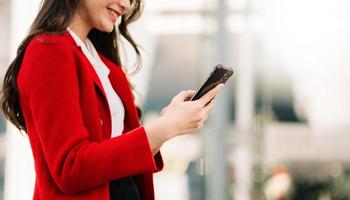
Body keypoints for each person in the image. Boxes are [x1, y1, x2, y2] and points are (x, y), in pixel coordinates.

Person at [0, 0, 223, 199]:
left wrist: (169, 123)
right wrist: (164, 128)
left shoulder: (103, 64)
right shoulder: (48, 51)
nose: (126, 5)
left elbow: (112, 157)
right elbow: (71, 167)